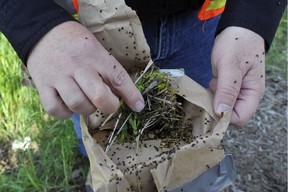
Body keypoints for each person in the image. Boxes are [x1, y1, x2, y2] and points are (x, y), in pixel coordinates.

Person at [0, 0, 286, 129]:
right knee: (100, 126)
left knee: (187, 125)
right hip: (84, 34)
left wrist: (252, 17)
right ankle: (104, 186)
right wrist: (34, 23)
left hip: (204, 26)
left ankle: (174, 189)